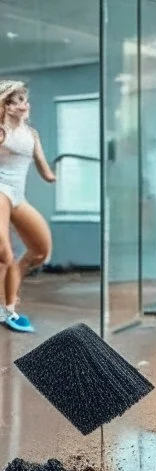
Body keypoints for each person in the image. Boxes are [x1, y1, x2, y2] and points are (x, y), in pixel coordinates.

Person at [0, 80, 55, 333]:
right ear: (7, 106)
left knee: (41, 251)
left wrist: (54, 176)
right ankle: (8, 309)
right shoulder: (1, 131)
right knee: (4, 252)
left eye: (25, 99)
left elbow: (44, 170)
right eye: (19, 100)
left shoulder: (31, 135)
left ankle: (11, 282)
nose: (25, 104)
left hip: (18, 195)